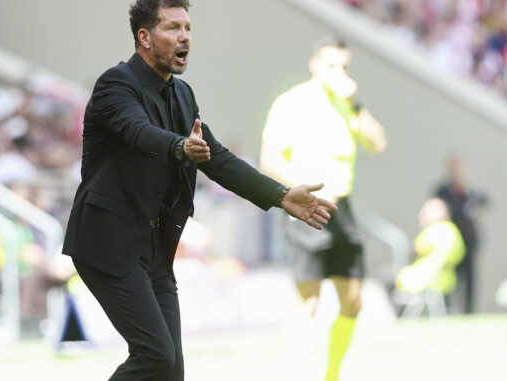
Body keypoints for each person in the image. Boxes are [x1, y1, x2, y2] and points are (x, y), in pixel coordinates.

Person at [61, 1, 338, 380]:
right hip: (108, 245)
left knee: (171, 371)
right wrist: (179, 147)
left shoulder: (182, 94)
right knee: (156, 355)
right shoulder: (115, 84)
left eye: (188, 28)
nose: (185, 36)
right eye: (173, 27)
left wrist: (281, 195)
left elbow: (217, 159)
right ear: (144, 36)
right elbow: (137, 132)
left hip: (154, 252)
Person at [260, 37, 386, 381]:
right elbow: (269, 159)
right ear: (315, 64)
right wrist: (299, 187)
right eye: (331, 65)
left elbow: (378, 143)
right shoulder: (292, 102)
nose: (338, 72)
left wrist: (357, 104)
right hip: (308, 207)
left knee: (353, 300)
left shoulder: (349, 105)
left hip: (342, 209)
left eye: (344, 66)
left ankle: (332, 374)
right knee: (308, 302)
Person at [434, 154, 487, 313]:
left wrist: (470, 191)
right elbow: (444, 208)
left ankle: (469, 310)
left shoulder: (471, 187)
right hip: (451, 238)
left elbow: (485, 202)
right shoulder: (443, 189)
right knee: (450, 275)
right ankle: (447, 309)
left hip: (469, 238)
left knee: (470, 276)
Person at [395, 198, 465, 311]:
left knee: (388, 278)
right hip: (447, 277)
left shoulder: (434, 230)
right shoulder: (453, 231)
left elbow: (415, 250)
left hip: (424, 277)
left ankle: (392, 315)